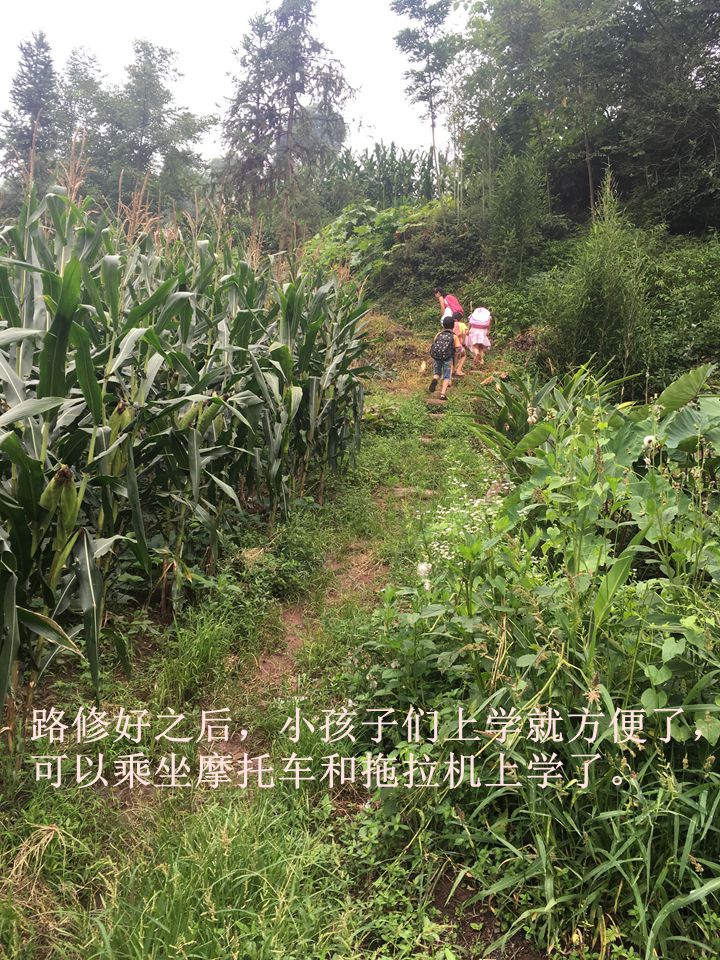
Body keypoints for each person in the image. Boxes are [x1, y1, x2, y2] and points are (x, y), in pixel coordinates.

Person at [428, 314, 458, 400]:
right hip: (447, 358)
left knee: (437, 373)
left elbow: (434, 345)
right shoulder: (454, 336)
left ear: (443, 325)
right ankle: (442, 394)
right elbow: (458, 350)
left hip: (436, 357)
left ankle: (435, 379)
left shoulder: (438, 334)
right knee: (446, 376)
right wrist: (455, 363)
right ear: (453, 326)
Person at [452, 311, 468, 378]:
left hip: (450, 344)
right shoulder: (462, 324)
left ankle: (452, 370)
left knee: (452, 358)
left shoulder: (451, 324)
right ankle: (458, 370)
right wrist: (464, 343)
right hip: (458, 344)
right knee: (463, 355)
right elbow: (465, 333)